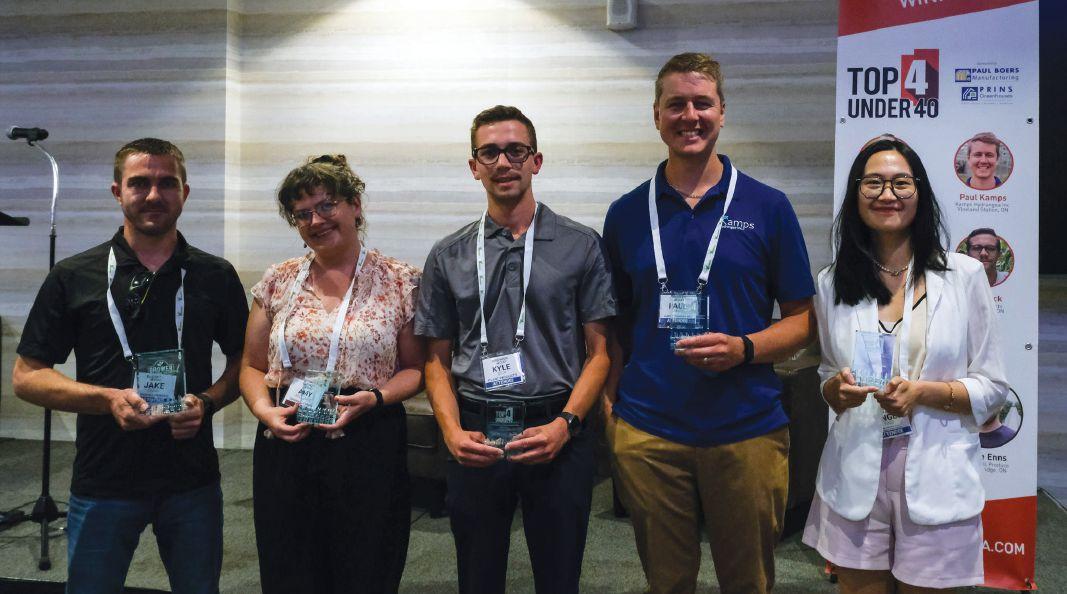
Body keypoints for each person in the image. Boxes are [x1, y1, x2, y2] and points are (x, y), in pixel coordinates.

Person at [602, 52, 816, 594]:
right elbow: (612, 325)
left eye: (703, 103)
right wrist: (611, 412)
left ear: (723, 112)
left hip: (746, 429)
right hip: (649, 430)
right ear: (656, 115)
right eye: (676, 104)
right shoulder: (626, 213)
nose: (690, 116)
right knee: (667, 582)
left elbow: (802, 322)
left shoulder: (768, 206)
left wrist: (745, 348)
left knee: (748, 581)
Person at [11, 138, 249, 593]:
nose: (154, 195)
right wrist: (107, 400)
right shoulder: (73, 276)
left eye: (167, 183)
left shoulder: (215, 275)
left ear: (185, 192)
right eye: (140, 183)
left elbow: (247, 362)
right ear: (117, 191)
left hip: (191, 479)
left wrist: (208, 401)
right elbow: (27, 376)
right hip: (104, 479)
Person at [415, 105, 615, 594]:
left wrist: (565, 425)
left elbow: (601, 354)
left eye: (515, 151)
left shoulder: (581, 244)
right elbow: (435, 360)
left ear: (536, 161)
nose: (503, 162)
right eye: (490, 152)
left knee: (559, 577)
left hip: (557, 430)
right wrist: (451, 433)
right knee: (477, 576)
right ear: (474, 166)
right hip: (476, 432)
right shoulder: (448, 254)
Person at [803, 137, 1009, 591]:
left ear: (920, 192)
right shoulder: (832, 282)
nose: (887, 194)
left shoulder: (964, 276)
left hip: (937, 472)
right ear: (856, 194)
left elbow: (994, 386)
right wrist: (834, 390)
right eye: (873, 183)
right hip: (855, 472)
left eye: (901, 183)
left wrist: (923, 394)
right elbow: (827, 372)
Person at [239, 155, 424, 593]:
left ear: (355, 205)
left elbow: (416, 369)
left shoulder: (399, 280)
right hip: (287, 436)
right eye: (302, 214)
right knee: (290, 566)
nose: (316, 221)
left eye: (326, 206)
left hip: (367, 436)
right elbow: (251, 365)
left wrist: (375, 398)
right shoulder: (278, 279)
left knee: (366, 563)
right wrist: (264, 412)